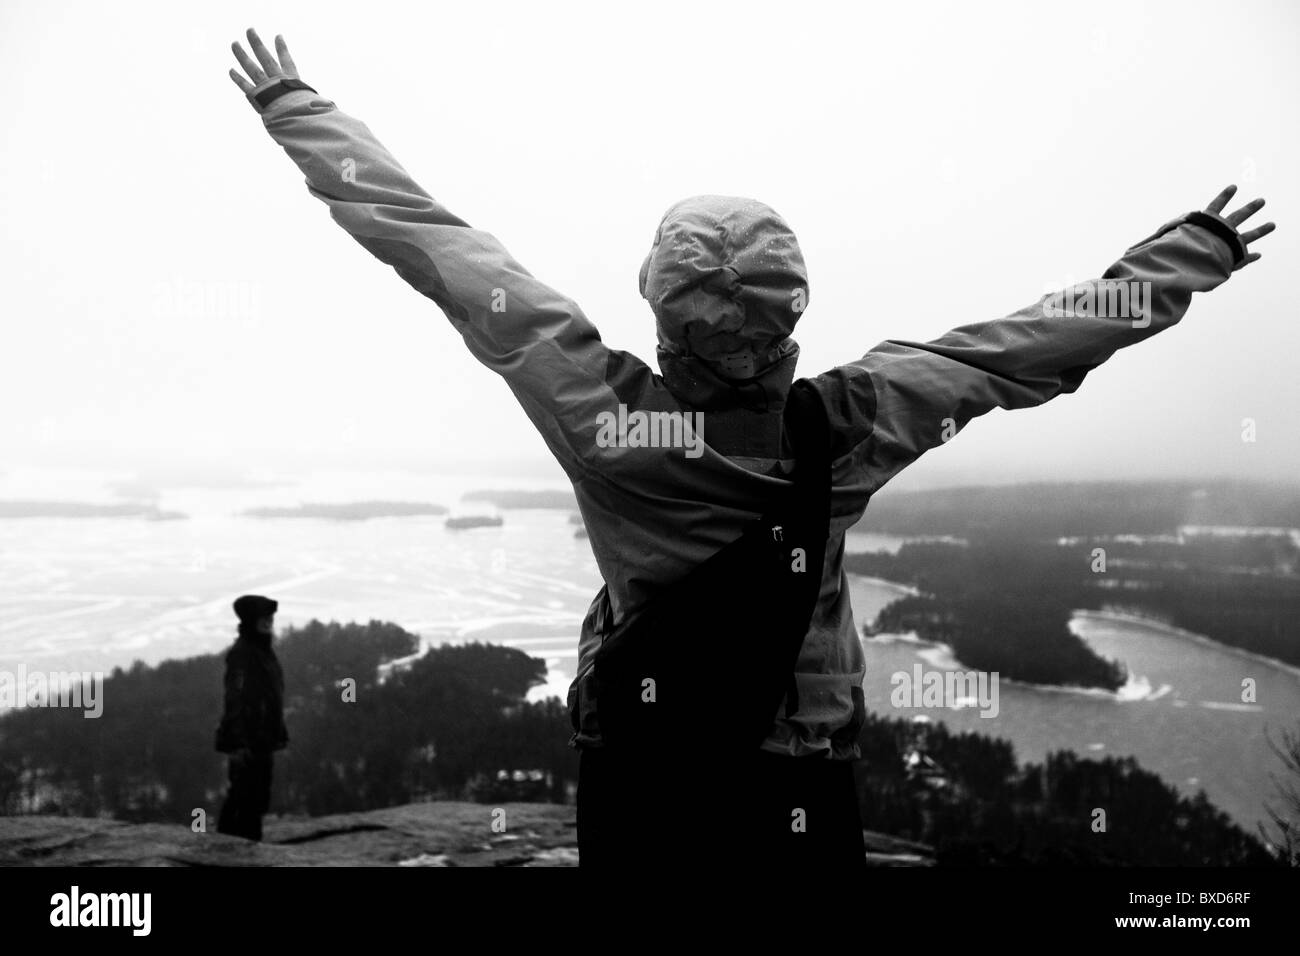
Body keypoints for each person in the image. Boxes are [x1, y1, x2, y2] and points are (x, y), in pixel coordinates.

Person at [228, 29, 1274, 867]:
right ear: (793, 306)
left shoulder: (599, 412)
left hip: (643, 779)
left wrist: (298, 112)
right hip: (800, 785)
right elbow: (1029, 346)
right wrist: (1191, 252)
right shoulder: (857, 420)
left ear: (660, 309)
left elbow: (438, 245)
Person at [215, 594, 289, 841]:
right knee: (244, 797)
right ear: (250, 620)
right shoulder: (243, 654)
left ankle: (239, 848)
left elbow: (271, 695)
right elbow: (234, 698)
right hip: (248, 739)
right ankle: (233, 850)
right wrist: (238, 741)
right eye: (263, 618)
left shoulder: (263, 650)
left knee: (255, 798)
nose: (268, 622)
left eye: (270, 618)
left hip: (262, 738)